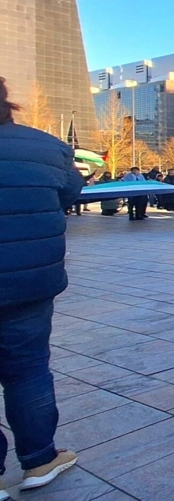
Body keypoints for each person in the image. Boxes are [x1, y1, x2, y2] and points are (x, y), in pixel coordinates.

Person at [0, 77, 82, 492]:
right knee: (28, 369)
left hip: (29, 282)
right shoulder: (46, 146)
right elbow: (70, 191)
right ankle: (39, 460)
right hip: (28, 284)